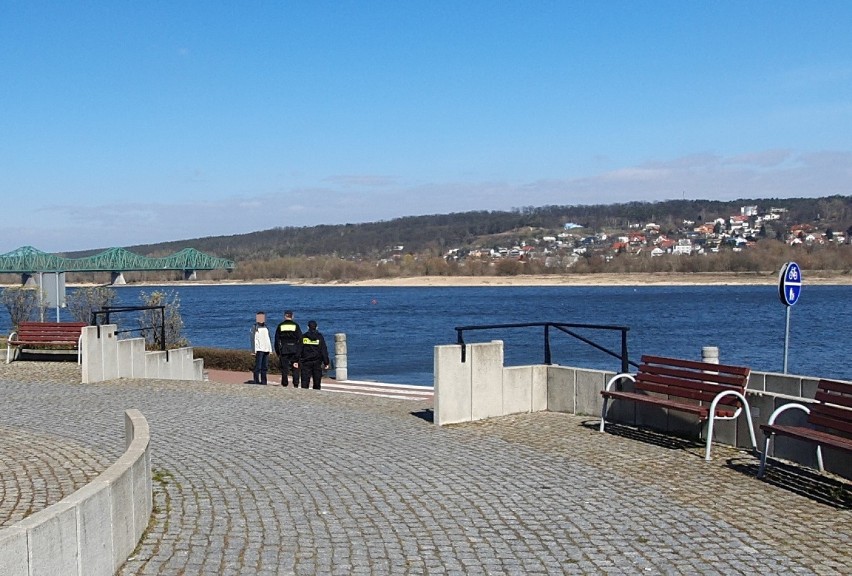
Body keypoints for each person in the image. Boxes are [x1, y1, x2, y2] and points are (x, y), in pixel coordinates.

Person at [297, 320, 329, 389]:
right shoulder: (320, 337)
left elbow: (299, 349)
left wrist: (295, 360)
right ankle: (316, 394)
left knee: (305, 381)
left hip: (305, 362)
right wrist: (326, 362)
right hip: (317, 362)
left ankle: (305, 395)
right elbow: (323, 350)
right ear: (316, 327)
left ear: (307, 327)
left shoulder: (304, 337)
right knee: (317, 381)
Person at [274, 310, 302, 387]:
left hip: (284, 348)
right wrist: (299, 351)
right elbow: (300, 339)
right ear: (292, 316)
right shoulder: (296, 325)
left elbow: (276, 340)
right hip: (294, 348)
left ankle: (285, 383)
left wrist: (278, 352)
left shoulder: (280, 326)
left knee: (284, 368)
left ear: (285, 316)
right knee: (295, 367)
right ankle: (296, 383)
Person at [250, 311, 273, 384]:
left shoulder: (266, 326)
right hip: (259, 349)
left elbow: (268, 338)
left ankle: (264, 381)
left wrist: (270, 349)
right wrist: (254, 350)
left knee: (265, 367)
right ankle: (256, 381)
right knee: (258, 367)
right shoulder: (255, 327)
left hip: (266, 349)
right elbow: (252, 339)